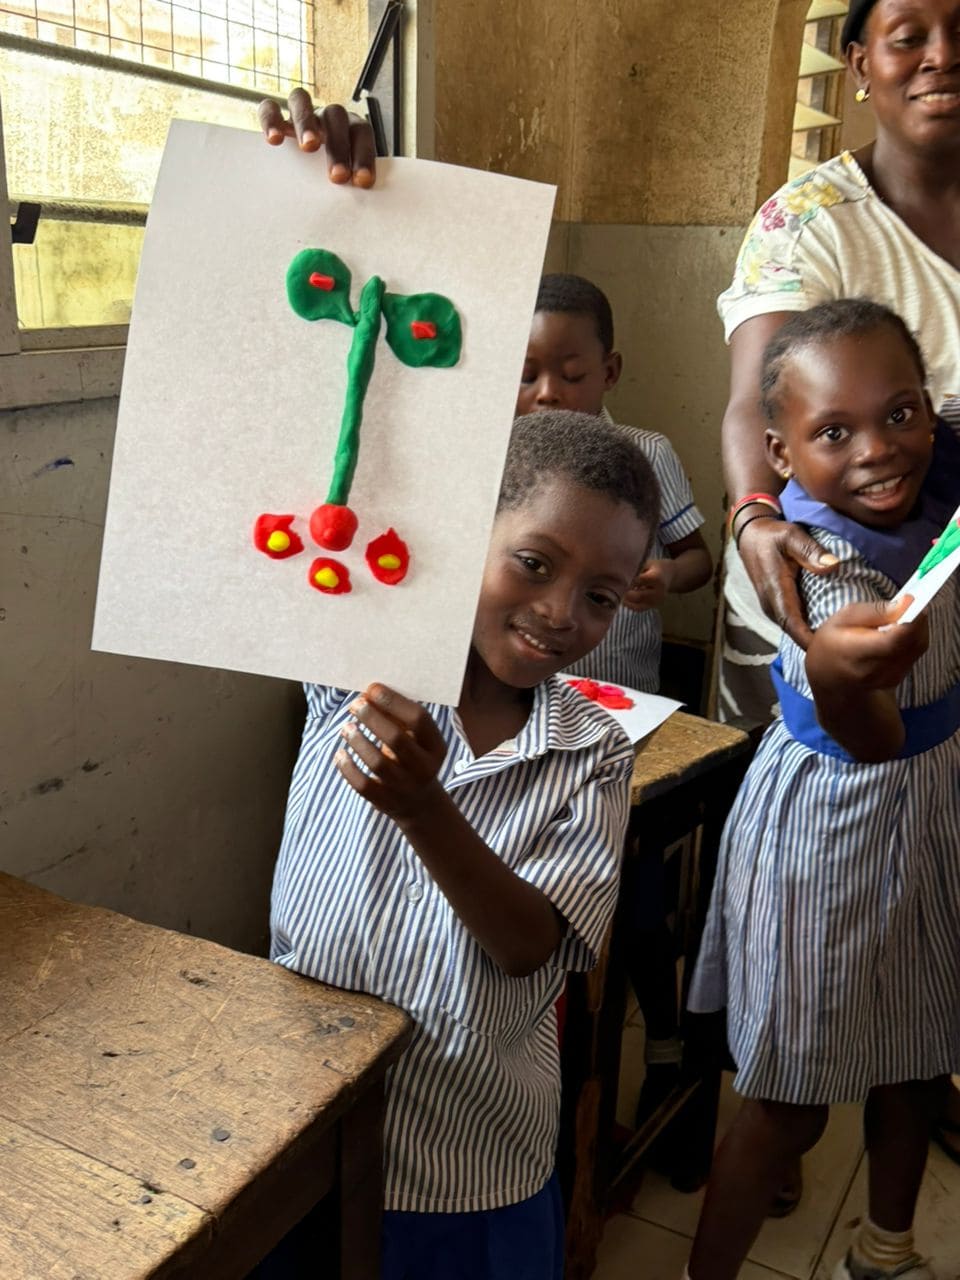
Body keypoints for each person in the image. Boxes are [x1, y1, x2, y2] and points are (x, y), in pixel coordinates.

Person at [262, 411, 660, 1280]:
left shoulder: (592, 752)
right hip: (304, 1131)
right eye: (534, 563)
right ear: (466, 529)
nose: (559, 612)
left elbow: (528, 947)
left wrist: (425, 810)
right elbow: (311, 489)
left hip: (469, 1164)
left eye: (601, 596)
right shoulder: (359, 668)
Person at [715, 0, 960, 1165]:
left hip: (947, 646)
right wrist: (756, 517)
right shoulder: (808, 221)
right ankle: (776, 1107)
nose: (943, 55)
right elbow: (753, 401)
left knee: (921, 956)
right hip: (821, 598)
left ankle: (889, 1166)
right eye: (909, 32)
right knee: (805, 952)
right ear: (859, 61)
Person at [685, 299, 960, 1280]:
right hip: (831, 834)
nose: (878, 450)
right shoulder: (821, 571)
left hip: (929, 811)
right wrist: (841, 677)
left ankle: (884, 1251)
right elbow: (873, 736)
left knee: (918, 1055)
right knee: (790, 1101)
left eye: (900, 414)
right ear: (781, 453)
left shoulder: (937, 488)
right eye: (833, 432)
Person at [519, 272, 712, 693]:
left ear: (609, 372)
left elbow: (698, 560)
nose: (547, 393)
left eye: (572, 375)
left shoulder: (648, 456)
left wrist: (669, 575)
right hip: (522, 688)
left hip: (617, 691)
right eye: (526, 376)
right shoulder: (503, 461)